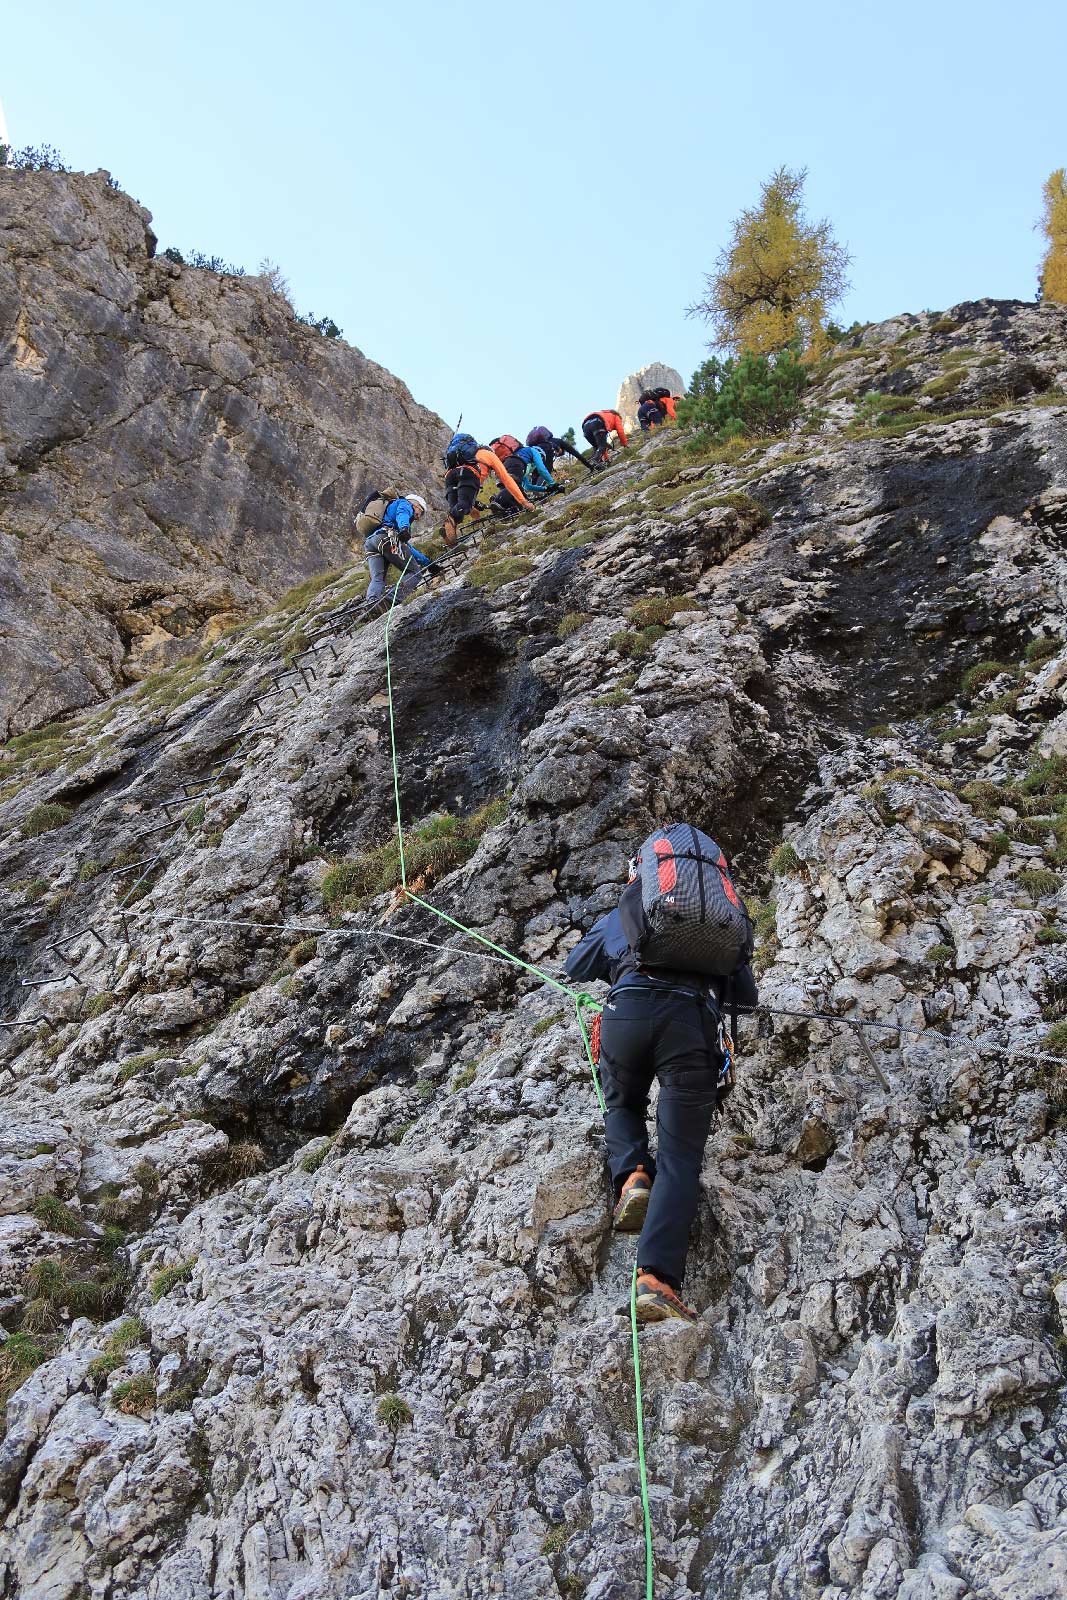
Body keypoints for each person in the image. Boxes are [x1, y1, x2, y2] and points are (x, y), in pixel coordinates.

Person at [564, 825, 757, 1324]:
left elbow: (575, 964)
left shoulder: (630, 910)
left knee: (621, 1102)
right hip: (691, 1025)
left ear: (644, 874)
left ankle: (631, 1175)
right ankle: (655, 1280)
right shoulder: (718, 920)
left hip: (625, 1016)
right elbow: (745, 995)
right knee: (681, 1158)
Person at [442, 433, 533, 543]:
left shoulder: (463, 457)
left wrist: (473, 507)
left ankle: (450, 537)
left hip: (449, 477)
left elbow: (466, 492)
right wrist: (523, 501)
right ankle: (451, 519)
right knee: (463, 507)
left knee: (457, 511)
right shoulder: (489, 455)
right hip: (468, 473)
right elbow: (507, 479)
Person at [364, 493, 435, 602]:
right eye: (421, 512)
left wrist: (427, 563)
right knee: (414, 572)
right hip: (386, 538)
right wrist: (405, 528)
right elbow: (402, 513)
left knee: (377, 579)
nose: (419, 517)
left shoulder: (390, 517)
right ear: (415, 505)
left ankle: (371, 603)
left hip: (371, 543)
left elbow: (405, 547)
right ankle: (389, 601)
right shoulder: (405, 503)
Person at [487, 434, 561, 514]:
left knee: (517, 495)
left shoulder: (524, 467)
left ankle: (505, 510)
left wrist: (546, 489)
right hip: (515, 463)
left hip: (502, 466)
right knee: (514, 487)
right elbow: (542, 469)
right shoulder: (534, 451)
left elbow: (527, 487)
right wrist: (553, 484)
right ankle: (498, 501)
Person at [526, 426, 595, 476]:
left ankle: (534, 488)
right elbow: (577, 455)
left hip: (535, 451)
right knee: (547, 471)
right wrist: (590, 466)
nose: (557, 455)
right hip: (544, 450)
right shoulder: (559, 442)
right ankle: (538, 488)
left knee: (538, 469)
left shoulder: (540, 445)